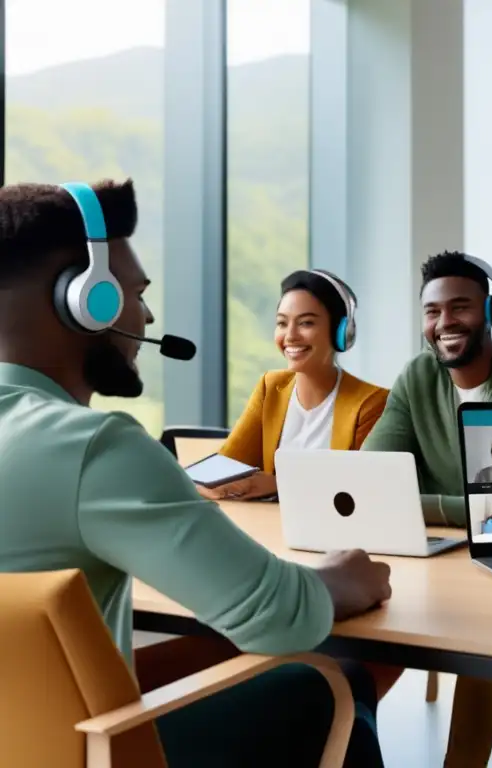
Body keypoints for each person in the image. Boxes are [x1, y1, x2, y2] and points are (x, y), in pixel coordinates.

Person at [0, 180, 392, 767]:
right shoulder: (93, 447)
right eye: (134, 292)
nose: (147, 315)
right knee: (327, 683)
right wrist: (343, 576)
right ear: (86, 299)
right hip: (87, 754)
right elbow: (280, 616)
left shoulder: (365, 399)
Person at [361, 250, 492, 768]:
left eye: (460, 307)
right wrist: (460, 509)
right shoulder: (417, 377)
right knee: (354, 626)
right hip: (439, 558)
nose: (445, 323)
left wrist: (419, 505)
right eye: (432, 311)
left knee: (484, 631)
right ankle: (341, 743)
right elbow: (370, 480)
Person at [207, 269, 388, 501]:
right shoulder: (270, 387)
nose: (290, 335)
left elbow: (360, 488)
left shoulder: (372, 403)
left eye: (306, 323)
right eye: (282, 323)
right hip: (267, 527)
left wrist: (278, 484)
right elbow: (228, 467)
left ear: (341, 331)